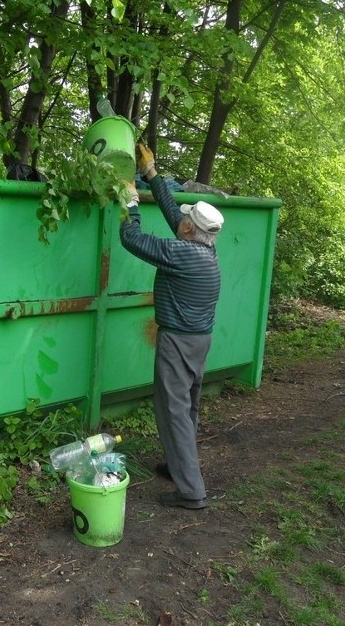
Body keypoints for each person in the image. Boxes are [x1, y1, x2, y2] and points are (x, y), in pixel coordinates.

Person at [119, 144, 224, 510]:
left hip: (177, 341)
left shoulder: (183, 254)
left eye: (183, 219)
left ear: (188, 228)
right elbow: (172, 216)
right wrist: (151, 175)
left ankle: (191, 491)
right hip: (199, 341)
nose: (178, 221)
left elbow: (131, 238)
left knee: (172, 410)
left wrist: (130, 203)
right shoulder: (204, 251)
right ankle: (179, 467)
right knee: (189, 407)